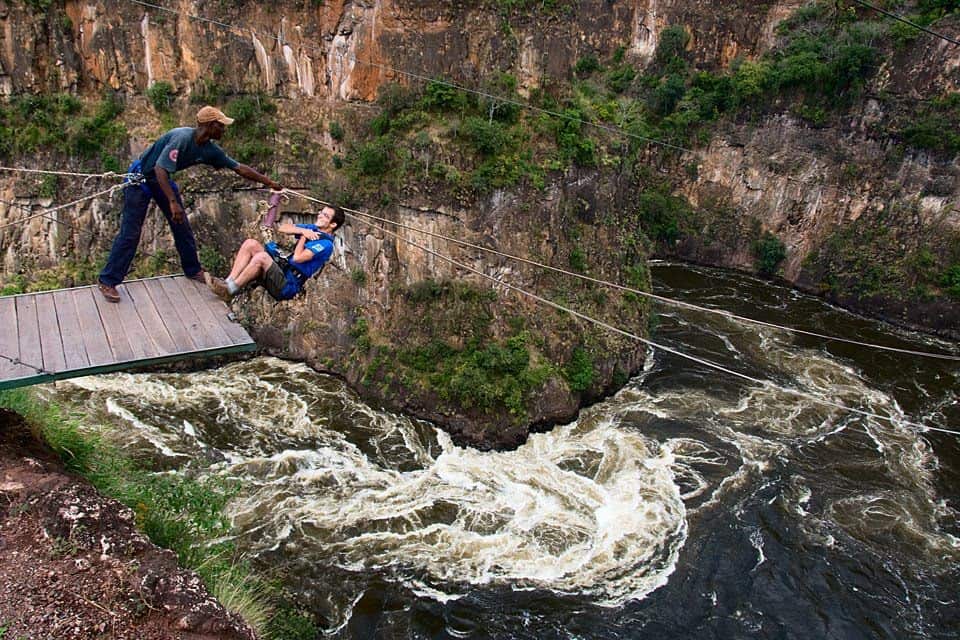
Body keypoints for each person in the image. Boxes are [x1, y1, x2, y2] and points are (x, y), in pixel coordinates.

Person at [97, 105, 283, 303]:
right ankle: (108, 280)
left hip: (162, 180)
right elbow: (160, 169)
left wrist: (268, 182)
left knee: (182, 226)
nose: (224, 130)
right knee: (131, 232)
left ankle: (193, 269)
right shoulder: (182, 139)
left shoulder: (210, 149)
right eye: (221, 126)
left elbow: (238, 168)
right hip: (142, 178)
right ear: (211, 125)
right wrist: (172, 202)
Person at [208, 205, 344, 301]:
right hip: (283, 270)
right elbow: (282, 228)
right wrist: (303, 231)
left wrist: (303, 236)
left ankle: (231, 291)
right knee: (251, 244)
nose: (320, 215)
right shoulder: (313, 229)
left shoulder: (326, 244)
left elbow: (297, 258)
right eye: (321, 212)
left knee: (261, 257)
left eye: (325, 216)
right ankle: (228, 282)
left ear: (333, 224)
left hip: (288, 285)